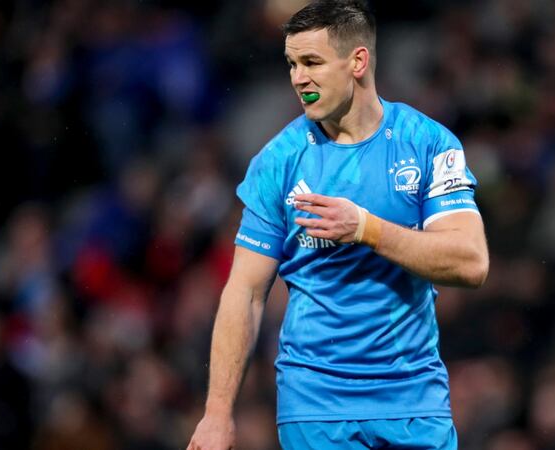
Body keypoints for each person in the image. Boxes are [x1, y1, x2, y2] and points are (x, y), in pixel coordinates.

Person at [187, 1, 488, 448]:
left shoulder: (427, 143)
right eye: (292, 64)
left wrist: (366, 229)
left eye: (312, 62)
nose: (298, 78)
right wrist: (216, 414)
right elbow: (245, 293)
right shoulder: (278, 161)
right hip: (316, 409)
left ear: (358, 62)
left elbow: (471, 263)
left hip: (413, 400)